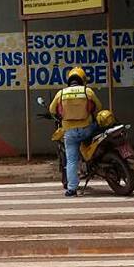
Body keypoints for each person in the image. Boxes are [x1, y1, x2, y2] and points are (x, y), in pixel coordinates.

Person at [49, 66, 102, 197]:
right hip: (87, 129)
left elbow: (52, 110)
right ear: (82, 79)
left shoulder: (61, 93)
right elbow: (99, 107)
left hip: (70, 132)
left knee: (71, 161)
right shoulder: (87, 91)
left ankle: (72, 189)